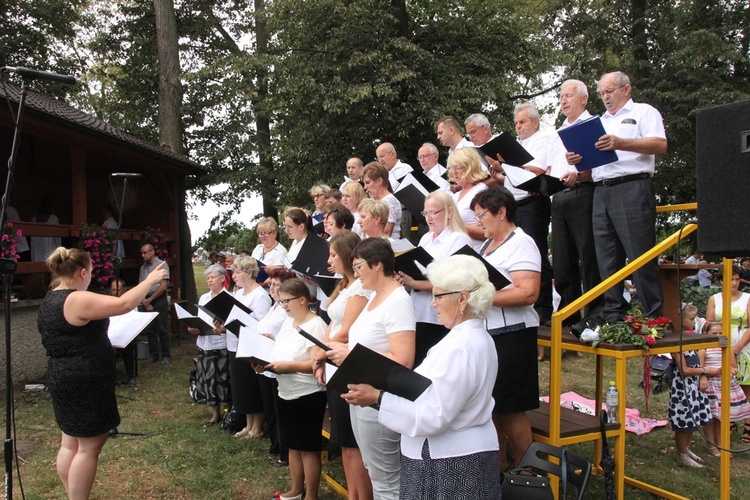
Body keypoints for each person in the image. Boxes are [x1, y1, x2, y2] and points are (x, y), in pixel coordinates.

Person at [343, 255, 500, 498]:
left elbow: (434, 416)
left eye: (438, 296)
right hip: (458, 454)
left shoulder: (462, 346)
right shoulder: (473, 337)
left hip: (451, 461)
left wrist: (378, 397)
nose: (432, 304)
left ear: (462, 299)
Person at [37, 247, 167, 499]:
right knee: (88, 447)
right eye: (92, 272)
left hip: (62, 374)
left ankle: (71, 493)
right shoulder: (75, 298)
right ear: (83, 272)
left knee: (70, 441)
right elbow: (124, 303)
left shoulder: (51, 296)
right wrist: (149, 280)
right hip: (85, 378)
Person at [566, 71, 668, 320]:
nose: (606, 97)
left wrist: (620, 143)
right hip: (601, 189)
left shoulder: (643, 112)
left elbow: (660, 145)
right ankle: (613, 313)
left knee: (639, 255)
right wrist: (578, 161)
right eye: (602, 93)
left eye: (610, 91)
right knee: (606, 256)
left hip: (632, 186)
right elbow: (595, 165)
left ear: (626, 89)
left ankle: (653, 316)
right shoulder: (600, 122)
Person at [327, 238, 416, 500]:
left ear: (377, 264)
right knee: (376, 472)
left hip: (380, 398)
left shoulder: (397, 302)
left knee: (387, 479)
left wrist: (351, 356)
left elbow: (404, 359)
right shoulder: (375, 297)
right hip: (362, 395)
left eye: (359, 266)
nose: (355, 273)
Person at [471, 186, 541, 470]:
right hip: (487, 335)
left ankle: (529, 478)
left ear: (502, 212)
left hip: (512, 337)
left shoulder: (521, 243)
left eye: (482, 216)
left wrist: (479, 298)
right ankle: (498, 478)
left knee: (512, 412)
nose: (479, 223)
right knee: (491, 412)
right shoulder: (485, 246)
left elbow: (528, 293)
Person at [311, 232, 373, 500]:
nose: (329, 260)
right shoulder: (342, 286)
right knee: (344, 442)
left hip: (345, 362)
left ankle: (363, 495)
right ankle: (353, 494)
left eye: (333, 255)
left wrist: (321, 353)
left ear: (347, 256)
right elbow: (330, 325)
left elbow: (347, 330)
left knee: (352, 441)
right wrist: (319, 352)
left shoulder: (359, 288)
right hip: (333, 360)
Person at [256, 278, 328, 500]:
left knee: (307, 447)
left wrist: (290, 366)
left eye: (287, 301)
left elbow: (317, 364)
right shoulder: (288, 323)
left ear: (303, 299)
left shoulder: (315, 325)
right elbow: (281, 350)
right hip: (284, 390)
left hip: (307, 394)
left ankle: (311, 495)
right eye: (280, 301)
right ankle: (296, 490)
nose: (283, 305)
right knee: (291, 445)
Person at [486, 102, 553, 325]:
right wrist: (496, 173)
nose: (518, 127)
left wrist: (505, 165)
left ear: (535, 121)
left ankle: (544, 309)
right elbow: (513, 179)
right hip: (515, 202)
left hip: (534, 201)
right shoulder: (517, 145)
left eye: (522, 122)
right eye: (516, 123)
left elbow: (538, 171)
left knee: (536, 255)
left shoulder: (544, 140)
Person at [548, 79, 603, 327]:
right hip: (558, 195)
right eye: (561, 97)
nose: (563, 101)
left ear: (584, 98)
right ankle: (568, 312)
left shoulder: (593, 125)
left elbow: (601, 163)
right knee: (562, 258)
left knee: (587, 253)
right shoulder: (557, 131)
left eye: (569, 95)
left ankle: (594, 312)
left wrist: (579, 174)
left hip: (583, 190)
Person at [397, 191, 471, 365]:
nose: (428, 218)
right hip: (419, 312)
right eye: (425, 213)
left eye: (433, 212)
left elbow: (453, 283)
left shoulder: (457, 239)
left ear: (449, 212)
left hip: (441, 316)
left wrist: (414, 283)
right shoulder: (425, 238)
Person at [226, 256, 272, 437]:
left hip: (249, 345)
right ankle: (248, 423)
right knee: (240, 386)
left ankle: (257, 427)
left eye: (237, 272)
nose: (234, 276)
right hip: (234, 342)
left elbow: (262, 323)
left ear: (249, 273)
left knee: (250, 385)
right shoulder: (238, 293)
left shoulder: (260, 295)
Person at [257, 267, 298, 468]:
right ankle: (275, 445)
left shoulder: (286, 310)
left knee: (279, 410)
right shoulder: (274, 307)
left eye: (276, 285)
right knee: (270, 409)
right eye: (270, 284)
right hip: (266, 360)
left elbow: (288, 334)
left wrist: (272, 337)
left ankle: (285, 452)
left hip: (278, 362)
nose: (271, 288)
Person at [706, 266, 750, 442]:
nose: (734, 283)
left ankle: (748, 426)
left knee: (745, 385)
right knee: (724, 385)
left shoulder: (747, 298)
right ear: (722, 280)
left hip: (743, 344)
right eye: (730, 279)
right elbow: (709, 323)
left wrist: (738, 346)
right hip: (719, 346)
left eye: (737, 279)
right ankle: (727, 421)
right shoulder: (714, 299)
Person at [668, 313, 715, 468]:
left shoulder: (688, 339)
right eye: (691, 319)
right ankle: (681, 454)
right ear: (680, 320)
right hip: (683, 389)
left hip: (693, 387)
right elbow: (684, 370)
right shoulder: (676, 344)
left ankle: (686, 449)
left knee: (694, 417)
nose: (694, 322)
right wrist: (704, 370)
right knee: (684, 419)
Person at [187, 264, 231, 427]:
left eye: (213, 277)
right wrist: (193, 327)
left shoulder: (227, 297)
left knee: (222, 377)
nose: (210, 280)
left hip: (220, 343)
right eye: (208, 278)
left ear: (222, 278)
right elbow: (200, 318)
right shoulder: (204, 297)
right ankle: (214, 413)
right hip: (204, 341)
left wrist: (222, 328)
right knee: (207, 378)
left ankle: (228, 411)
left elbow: (232, 323)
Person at [701, 321, 750, 457]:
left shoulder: (726, 349)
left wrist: (732, 371)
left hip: (725, 386)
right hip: (711, 387)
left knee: (722, 418)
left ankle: (722, 444)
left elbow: (734, 368)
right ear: (705, 334)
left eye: (720, 333)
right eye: (713, 333)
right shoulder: (703, 349)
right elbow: (700, 369)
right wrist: (716, 371)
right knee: (710, 418)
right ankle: (711, 446)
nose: (717, 336)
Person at [447, 148, 488, 250]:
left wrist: (456, 226)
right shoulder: (456, 195)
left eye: (458, 168)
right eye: (452, 168)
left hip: (474, 252)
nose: (454, 172)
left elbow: (486, 232)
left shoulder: (481, 191)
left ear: (470, 167)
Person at [139, 243, 171, 364]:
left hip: (158, 297)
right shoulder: (143, 268)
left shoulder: (162, 265)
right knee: (150, 328)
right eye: (142, 253)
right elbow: (141, 285)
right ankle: (153, 355)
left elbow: (163, 286)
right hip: (146, 297)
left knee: (162, 327)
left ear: (152, 252)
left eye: (145, 252)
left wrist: (150, 300)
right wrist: (145, 302)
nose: (143, 255)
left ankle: (166, 355)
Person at [362, 162, 402, 239]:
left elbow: (387, 232)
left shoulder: (390, 201)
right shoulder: (373, 200)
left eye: (368, 182)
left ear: (379, 181)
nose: (365, 187)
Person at [109, 278, 136, 386]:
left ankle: (131, 376)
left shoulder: (129, 304)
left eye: (118, 290)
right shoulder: (107, 303)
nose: (115, 293)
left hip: (125, 334)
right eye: (113, 290)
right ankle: (108, 376)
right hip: (110, 335)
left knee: (128, 347)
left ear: (123, 290)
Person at [30, 197, 61, 262]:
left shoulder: (34, 219)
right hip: (49, 246)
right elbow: (57, 236)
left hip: (36, 246)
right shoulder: (54, 218)